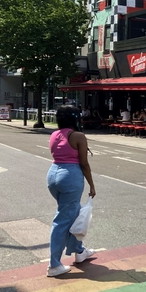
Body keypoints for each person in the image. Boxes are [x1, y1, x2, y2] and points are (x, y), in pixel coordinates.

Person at [46, 106, 96, 277]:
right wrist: (92, 185)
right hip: (70, 177)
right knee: (62, 220)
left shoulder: (54, 134)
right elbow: (84, 163)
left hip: (53, 175)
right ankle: (54, 264)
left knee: (71, 213)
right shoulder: (78, 136)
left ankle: (79, 251)